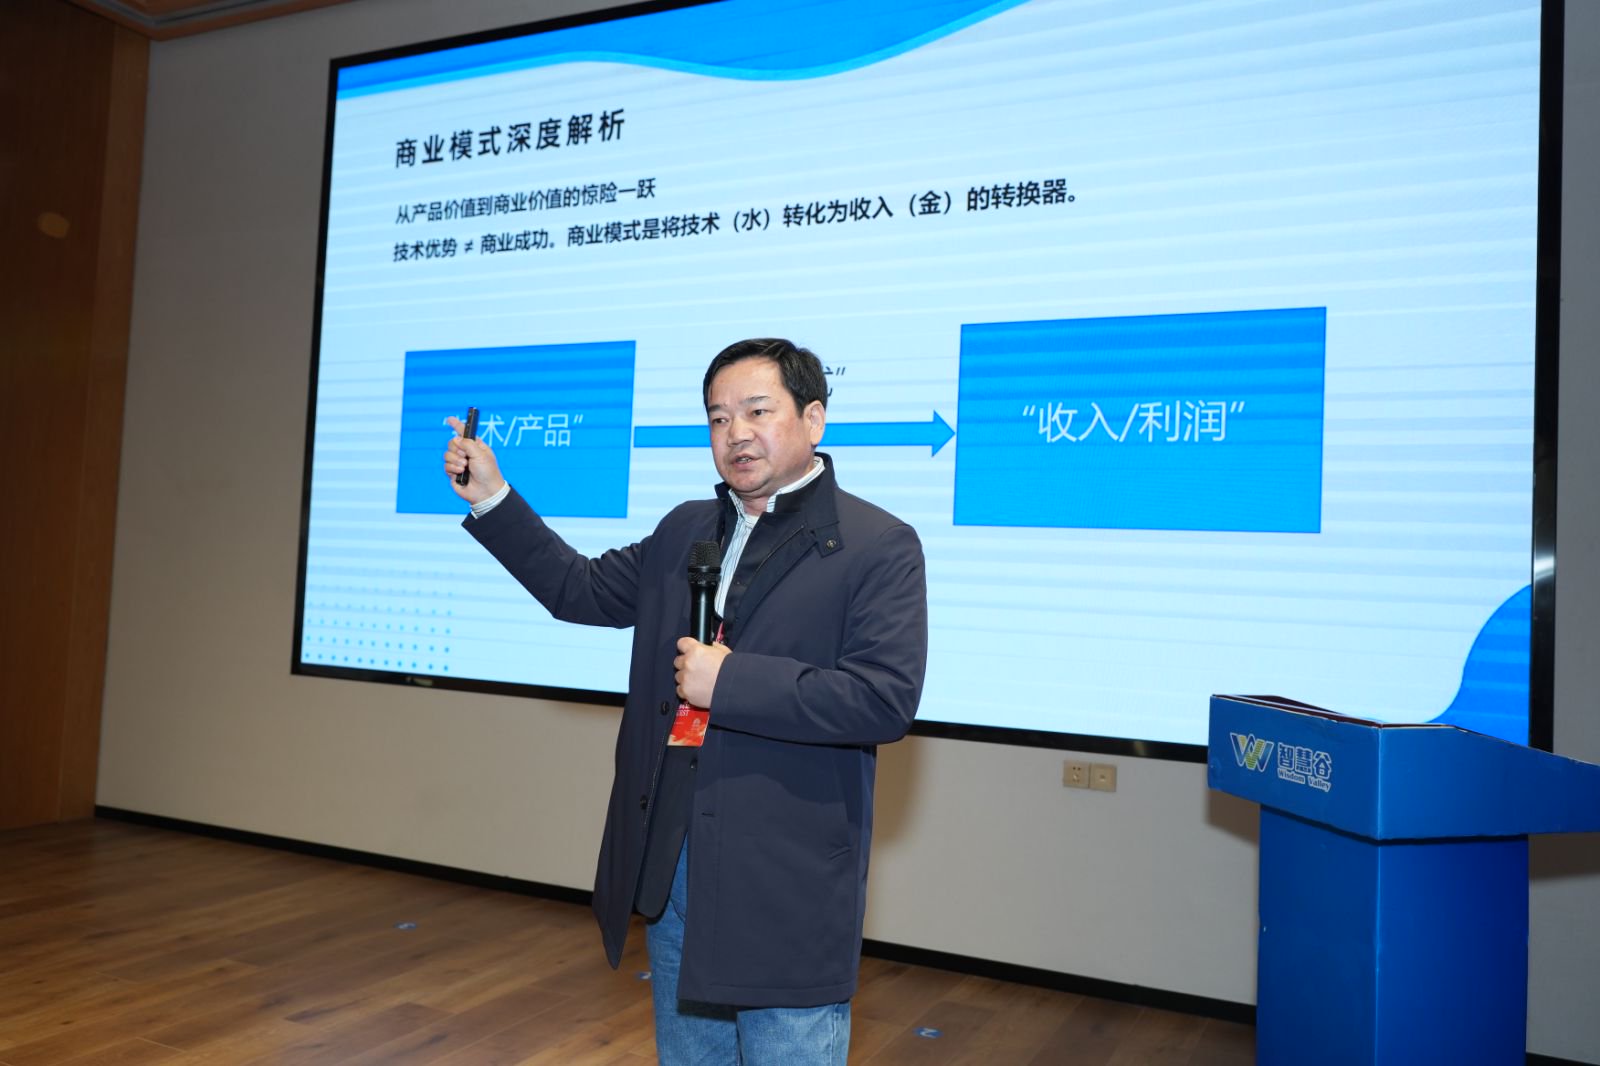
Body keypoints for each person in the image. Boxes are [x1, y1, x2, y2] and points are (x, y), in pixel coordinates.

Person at [442, 338, 928, 1065]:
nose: (736, 434)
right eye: (718, 418)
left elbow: (882, 699)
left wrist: (729, 682)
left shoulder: (876, 545)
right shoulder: (685, 531)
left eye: (757, 411)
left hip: (783, 879)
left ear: (814, 418)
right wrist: (494, 497)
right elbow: (578, 590)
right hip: (675, 866)